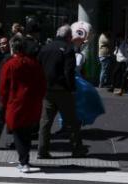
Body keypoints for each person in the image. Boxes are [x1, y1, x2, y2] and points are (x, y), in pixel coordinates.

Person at [37, 25, 86, 159]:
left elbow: (38, 68)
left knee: (46, 122)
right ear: (69, 37)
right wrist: (72, 88)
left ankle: (42, 150)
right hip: (63, 89)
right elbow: (68, 71)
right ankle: (77, 148)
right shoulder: (68, 49)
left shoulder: (45, 48)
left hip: (47, 89)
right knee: (72, 121)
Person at [0, 36, 46, 172]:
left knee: (18, 133)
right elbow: (42, 84)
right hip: (32, 102)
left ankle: (23, 161)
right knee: (26, 132)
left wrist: (3, 101)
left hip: (15, 102)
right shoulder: (34, 63)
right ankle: (25, 159)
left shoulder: (10, 64)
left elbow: (4, 87)